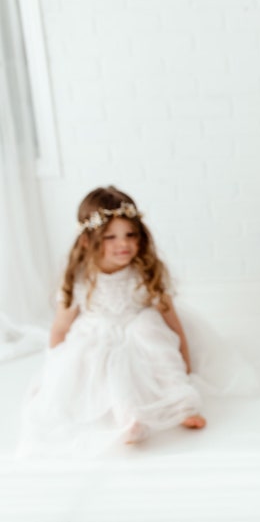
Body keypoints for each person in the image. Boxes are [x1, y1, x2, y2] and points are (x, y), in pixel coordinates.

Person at [18, 186, 206, 457]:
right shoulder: (82, 278)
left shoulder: (144, 272)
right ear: (87, 241)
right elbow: (60, 328)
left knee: (150, 337)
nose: (124, 244)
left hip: (140, 328)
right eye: (110, 237)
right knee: (102, 360)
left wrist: (186, 365)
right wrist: (55, 367)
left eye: (131, 234)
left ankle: (180, 403)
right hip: (98, 332)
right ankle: (128, 418)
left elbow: (173, 325)